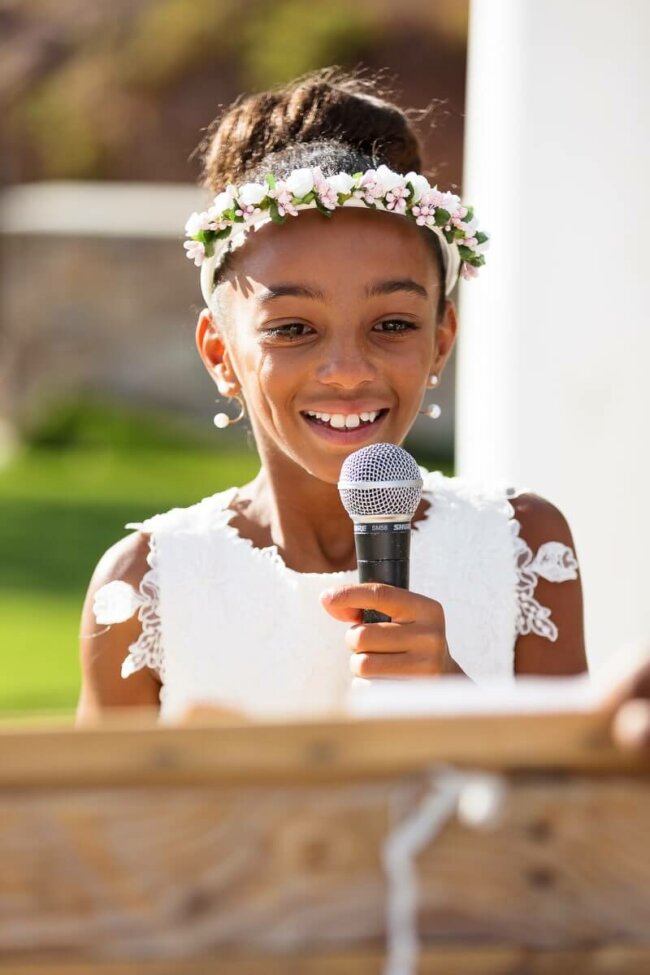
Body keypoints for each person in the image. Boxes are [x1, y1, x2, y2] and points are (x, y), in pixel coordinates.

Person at [76, 68, 587, 725]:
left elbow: (582, 815)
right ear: (219, 354)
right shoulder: (146, 587)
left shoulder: (523, 547)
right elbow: (96, 825)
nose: (347, 371)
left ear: (440, 339)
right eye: (293, 329)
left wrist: (455, 695)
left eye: (393, 325)